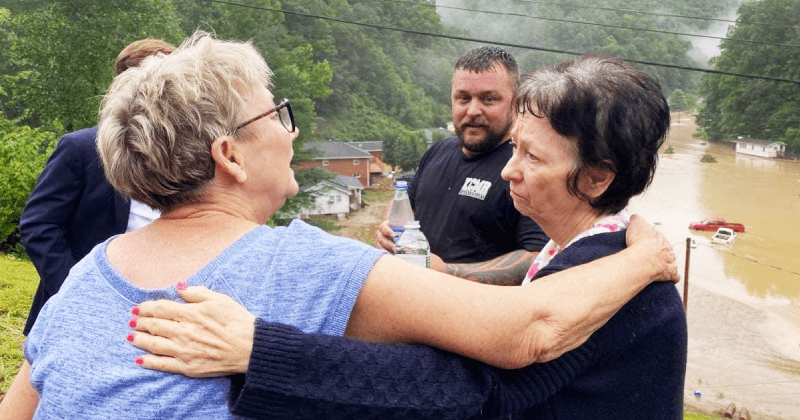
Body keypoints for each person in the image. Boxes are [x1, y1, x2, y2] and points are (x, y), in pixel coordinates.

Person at [0, 32, 677, 419]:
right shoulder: (308, 265)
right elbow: (520, 335)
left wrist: (260, 350)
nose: (292, 132)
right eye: (278, 115)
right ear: (230, 156)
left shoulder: (87, 277)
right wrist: (646, 259)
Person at [18, 38, 175, 335]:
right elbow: (39, 224)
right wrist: (76, 291)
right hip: (73, 317)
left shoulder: (182, 157)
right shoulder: (81, 148)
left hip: (149, 319)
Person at [376, 46, 548, 285]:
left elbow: (538, 258)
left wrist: (447, 271)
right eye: (463, 98)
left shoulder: (525, 169)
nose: (473, 110)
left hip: (477, 307)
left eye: (489, 99)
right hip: (414, 298)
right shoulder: (437, 152)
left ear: (516, 102)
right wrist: (387, 228)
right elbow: (406, 201)